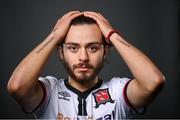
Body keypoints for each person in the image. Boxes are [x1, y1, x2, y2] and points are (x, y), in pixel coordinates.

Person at [7, 11, 165, 119]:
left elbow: (153, 82)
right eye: (73, 48)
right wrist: (55, 36)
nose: (83, 57)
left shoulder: (118, 92)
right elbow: (17, 87)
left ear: (105, 51)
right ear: (61, 52)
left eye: (93, 48)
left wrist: (112, 35)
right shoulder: (49, 91)